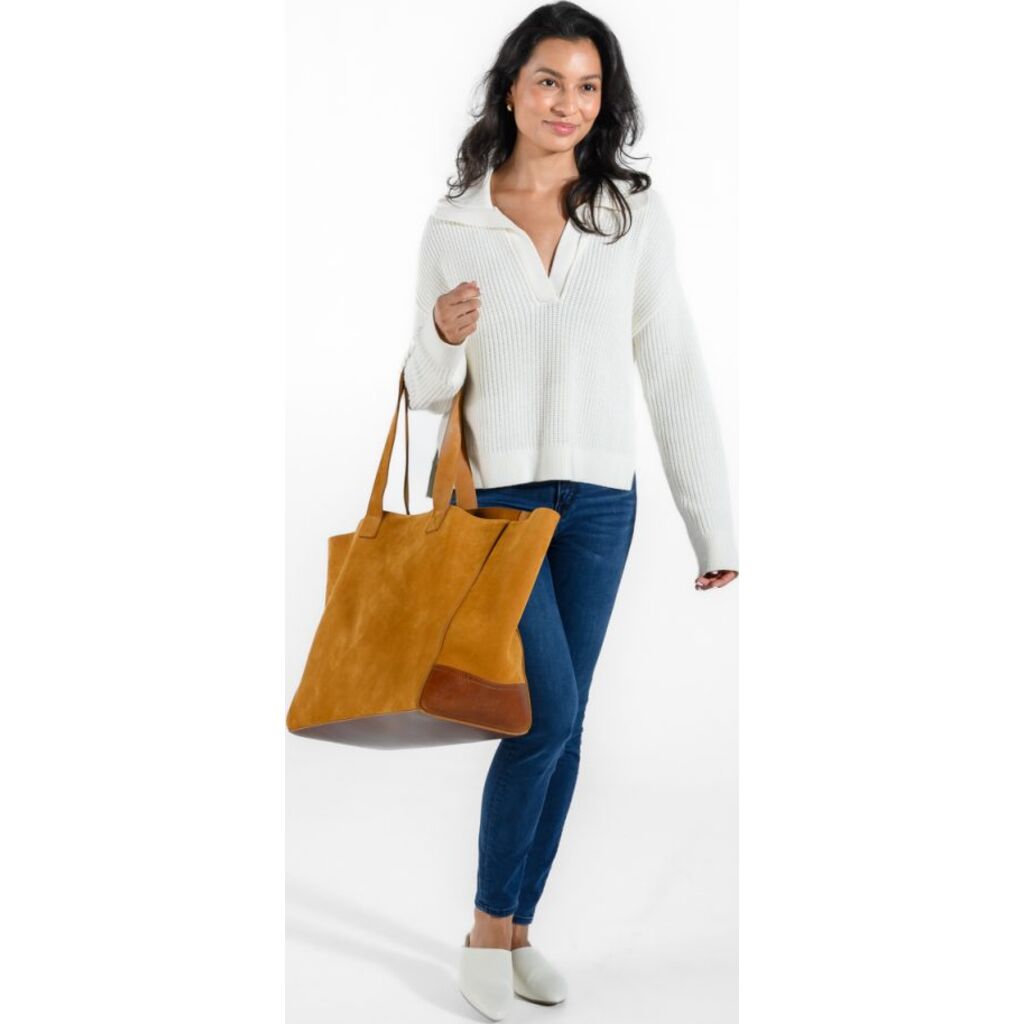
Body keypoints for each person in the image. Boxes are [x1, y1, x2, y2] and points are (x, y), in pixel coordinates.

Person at [400, 4, 738, 1018]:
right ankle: (482, 933)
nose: (568, 103)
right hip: (496, 505)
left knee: (567, 723)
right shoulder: (457, 225)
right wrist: (441, 332)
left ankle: (517, 931)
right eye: (549, 80)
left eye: (588, 87)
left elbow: (671, 367)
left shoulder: (630, 216)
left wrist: (712, 525)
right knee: (541, 716)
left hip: (599, 503)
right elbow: (425, 393)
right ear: (511, 87)